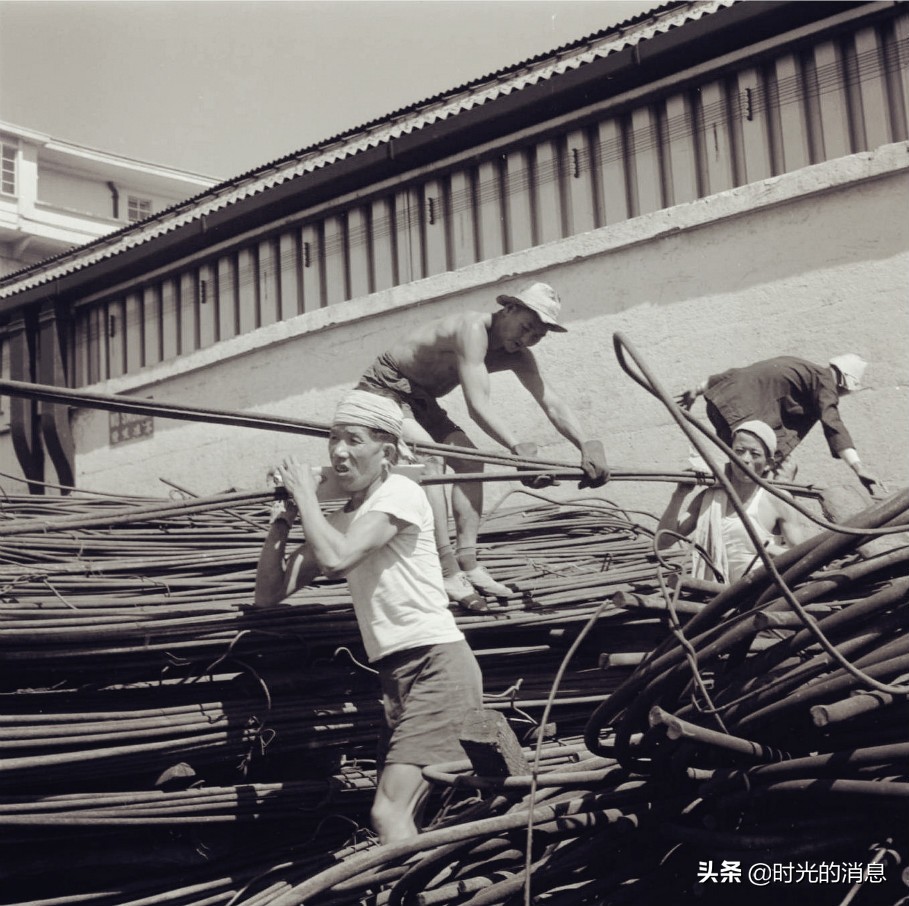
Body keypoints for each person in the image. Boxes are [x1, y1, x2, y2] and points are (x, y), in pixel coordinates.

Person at [253, 389, 483, 844]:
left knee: (387, 812)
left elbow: (338, 561)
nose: (338, 451)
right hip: (397, 675)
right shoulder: (343, 519)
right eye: (333, 439)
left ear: (388, 452)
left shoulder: (402, 492)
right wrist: (282, 521)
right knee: (415, 813)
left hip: (438, 666)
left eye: (354, 440)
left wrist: (307, 496)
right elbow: (268, 594)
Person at [355, 281, 609, 609]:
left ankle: (468, 564)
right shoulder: (472, 328)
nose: (527, 339)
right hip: (384, 389)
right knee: (433, 457)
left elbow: (550, 401)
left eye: (537, 335)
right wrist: (520, 451)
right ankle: (445, 570)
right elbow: (478, 405)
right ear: (508, 309)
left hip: (421, 401)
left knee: (471, 461)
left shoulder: (518, 355)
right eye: (526, 327)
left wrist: (586, 443)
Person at [676, 354, 883, 495]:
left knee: (745, 467)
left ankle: (739, 504)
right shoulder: (824, 382)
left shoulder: (797, 365)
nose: (842, 395)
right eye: (845, 391)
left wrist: (698, 388)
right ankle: (767, 517)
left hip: (720, 404)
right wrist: (858, 468)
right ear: (843, 381)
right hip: (742, 413)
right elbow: (833, 423)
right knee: (779, 467)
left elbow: (740, 373)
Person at [657, 420, 814, 584]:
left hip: (761, 595)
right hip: (714, 597)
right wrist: (679, 494)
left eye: (755, 454)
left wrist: (769, 550)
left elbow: (803, 557)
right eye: (739, 451)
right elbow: (663, 542)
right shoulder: (709, 499)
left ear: (768, 464)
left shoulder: (777, 499)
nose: (745, 459)